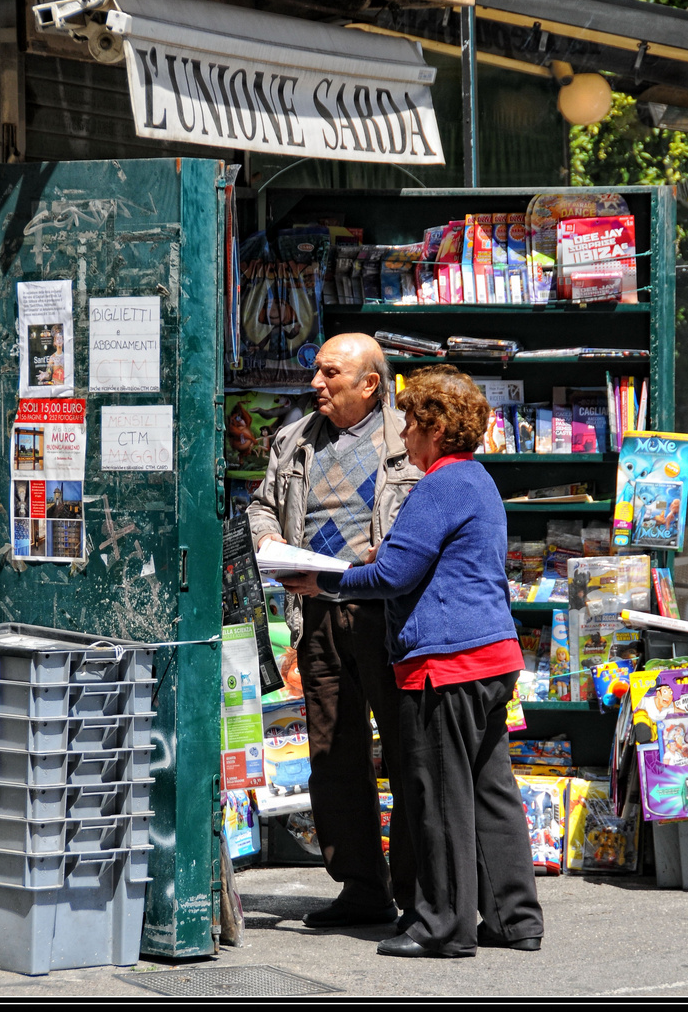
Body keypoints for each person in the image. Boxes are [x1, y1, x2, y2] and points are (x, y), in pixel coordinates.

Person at [282, 364, 544, 958]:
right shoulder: (478, 482)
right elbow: (427, 560)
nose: (401, 436)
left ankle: (443, 925)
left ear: (431, 427)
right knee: (488, 790)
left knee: (440, 795)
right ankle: (514, 918)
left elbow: (394, 573)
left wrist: (323, 584)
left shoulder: (440, 485)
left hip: (446, 662)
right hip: (491, 656)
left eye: (410, 424)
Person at [248, 332, 422, 928]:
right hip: (318, 610)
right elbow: (263, 504)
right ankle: (361, 886)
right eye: (315, 372)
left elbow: (435, 513)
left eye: (329, 374)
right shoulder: (294, 438)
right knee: (332, 751)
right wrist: (268, 541)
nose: (315, 383)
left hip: (386, 613)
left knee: (406, 749)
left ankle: (419, 888)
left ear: (370, 383)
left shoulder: (409, 440)